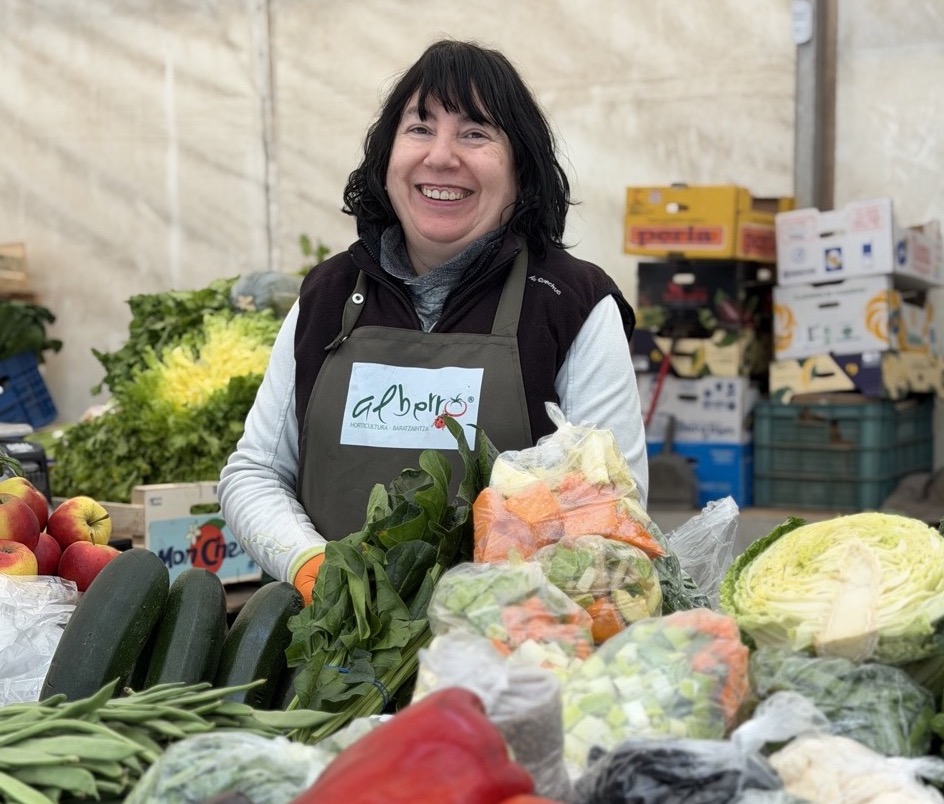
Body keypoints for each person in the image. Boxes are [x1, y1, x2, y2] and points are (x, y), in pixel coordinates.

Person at [218, 38, 649, 605]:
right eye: (420, 129)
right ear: (386, 156)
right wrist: (310, 565)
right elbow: (254, 473)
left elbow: (614, 507)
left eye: (475, 133)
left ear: (521, 165)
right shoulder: (326, 295)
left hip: (511, 659)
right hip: (330, 659)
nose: (442, 157)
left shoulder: (571, 302)